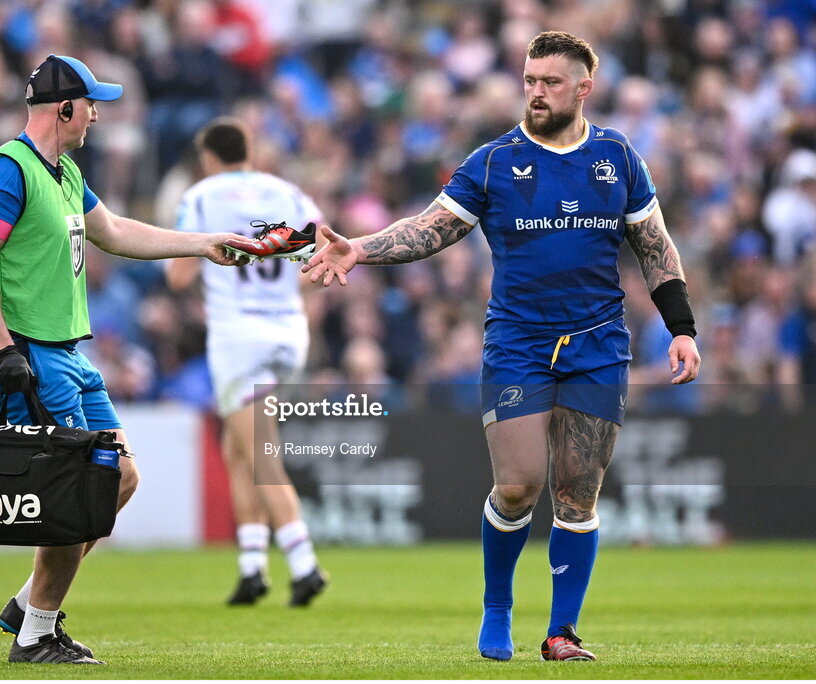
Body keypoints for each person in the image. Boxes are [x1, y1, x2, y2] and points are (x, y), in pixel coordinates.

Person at [297, 32, 701, 662]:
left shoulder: (619, 157)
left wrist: (682, 328)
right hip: (518, 342)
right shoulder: (493, 161)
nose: (536, 92)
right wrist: (362, 248)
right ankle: (497, 608)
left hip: (598, 343)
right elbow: (431, 229)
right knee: (518, 486)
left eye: (551, 82)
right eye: (529, 80)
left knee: (578, 492)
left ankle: (562, 633)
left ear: (584, 88)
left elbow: (656, 249)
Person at [0, 54, 241, 666]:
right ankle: (36, 633)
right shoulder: (7, 172)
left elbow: (114, 231)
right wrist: (4, 352)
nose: (96, 115)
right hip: (30, 355)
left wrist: (201, 244)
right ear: (64, 108)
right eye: (90, 104)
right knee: (77, 491)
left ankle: (28, 605)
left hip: (68, 354)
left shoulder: (62, 172)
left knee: (120, 480)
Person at [167, 117, 327, 606]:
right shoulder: (287, 193)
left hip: (239, 337)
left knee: (259, 450)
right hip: (287, 333)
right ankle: (252, 566)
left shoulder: (200, 196)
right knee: (239, 446)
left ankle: (304, 563)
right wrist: (280, 284)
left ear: (209, 156)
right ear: (249, 151)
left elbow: (178, 275)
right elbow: (320, 257)